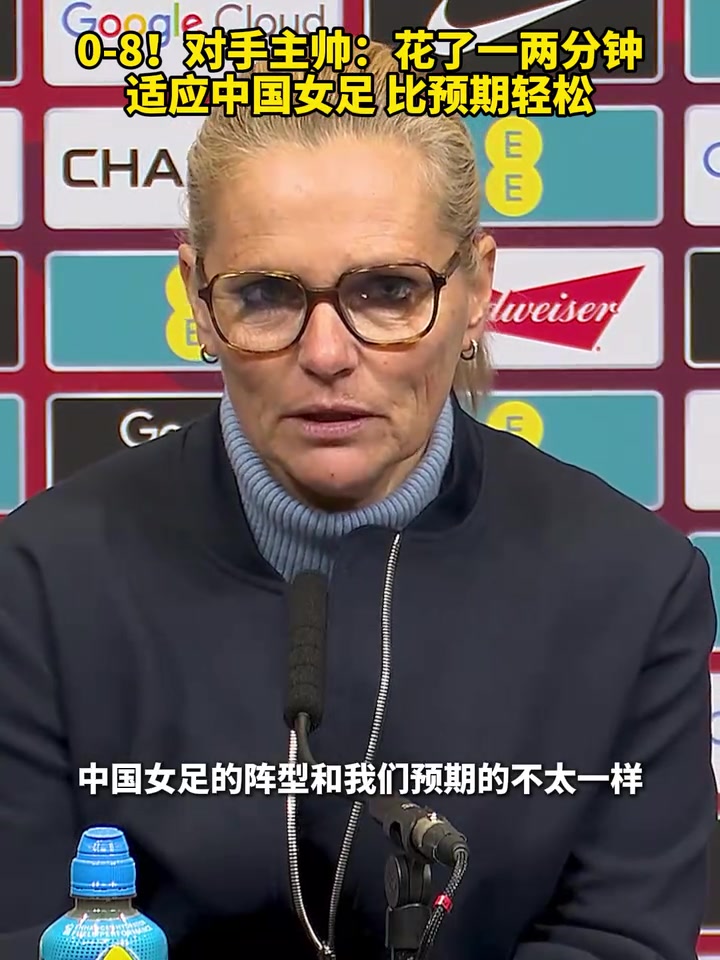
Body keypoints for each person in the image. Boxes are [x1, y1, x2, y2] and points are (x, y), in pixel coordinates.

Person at [0, 38, 716, 960]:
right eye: (266, 294)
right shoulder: (37, 582)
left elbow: (619, 940)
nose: (328, 354)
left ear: (476, 291)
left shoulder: (634, 585)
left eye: (387, 290)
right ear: (198, 302)